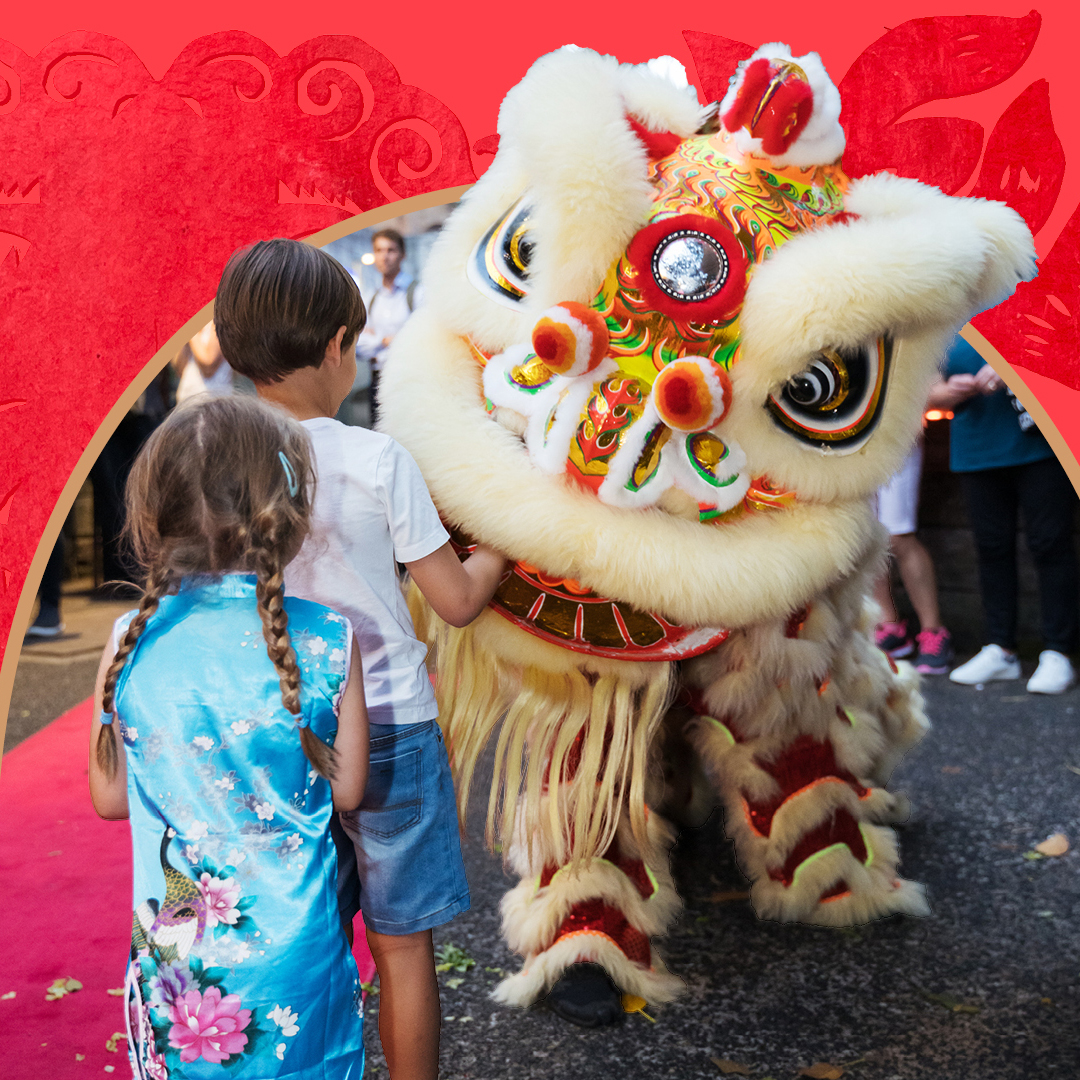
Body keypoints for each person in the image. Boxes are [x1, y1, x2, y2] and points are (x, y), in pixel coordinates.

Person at [214, 238, 506, 1080]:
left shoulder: (226, 468)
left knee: (301, 933)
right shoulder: (378, 460)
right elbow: (454, 599)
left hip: (277, 729)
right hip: (391, 732)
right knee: (402, 947)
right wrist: (495, 550)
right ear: (340, 347)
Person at [87, 394, 369, 1078]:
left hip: (176, 959)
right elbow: (352, 789)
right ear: (289, 518)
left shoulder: (129, 639)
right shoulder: (328, 637)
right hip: (298, 952)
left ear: (156, 519)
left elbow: (110, 799)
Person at [933, 336, 1080, 693]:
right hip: (975, 446)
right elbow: (924, 392)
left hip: (1041, 440)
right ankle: (1000, 649)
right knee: (991, 547)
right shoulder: (945, 309)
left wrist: (1011, 366)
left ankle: (1058, 652)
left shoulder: (1028, 287)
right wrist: (949, 391)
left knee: (1050, 543)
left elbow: (1064, 349)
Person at [872, 444, 955, 674]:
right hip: (851, 441)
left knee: (898, 534)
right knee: (868, 536)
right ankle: (889, 627)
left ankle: (934, 631)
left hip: (895, 436)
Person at [353, 229, 421, 422]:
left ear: (402, 254)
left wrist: (374, 339)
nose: (384, 256)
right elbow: (357, 344)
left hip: (410, 379)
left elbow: (422, 339)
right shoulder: (370, 298)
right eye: (379, 250)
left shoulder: (417, 294)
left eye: (391, 250)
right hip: (377, 380)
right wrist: (387, 340)